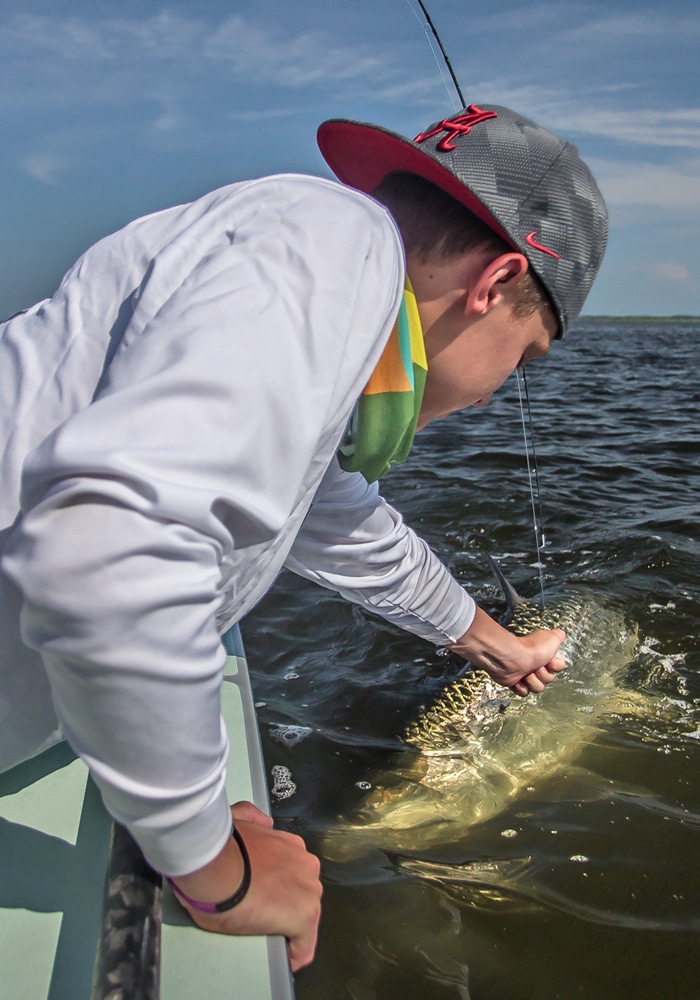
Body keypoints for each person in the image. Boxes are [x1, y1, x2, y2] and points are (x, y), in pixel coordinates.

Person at [0, 103, 607, 971]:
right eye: (528, 355)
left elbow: (340, 519)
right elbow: (107, 547)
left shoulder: (314, 294)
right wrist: (214, 865)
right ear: (495, 282)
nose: (498, 390)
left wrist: (493, 644)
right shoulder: (338, 239)